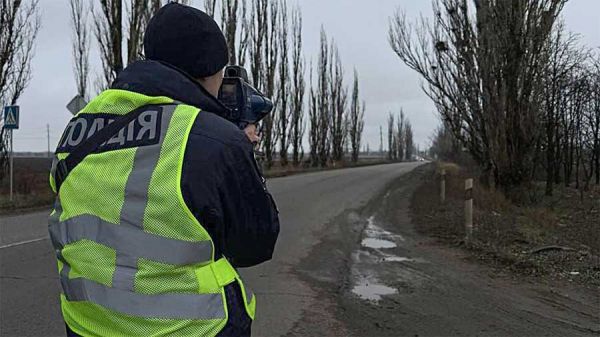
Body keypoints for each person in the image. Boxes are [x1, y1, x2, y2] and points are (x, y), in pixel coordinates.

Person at [48, 3, 280, 336]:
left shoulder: (77, 131)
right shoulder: (211, 139)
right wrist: (238, 149)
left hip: (89, 327)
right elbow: (256, 243)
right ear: (207, 72)